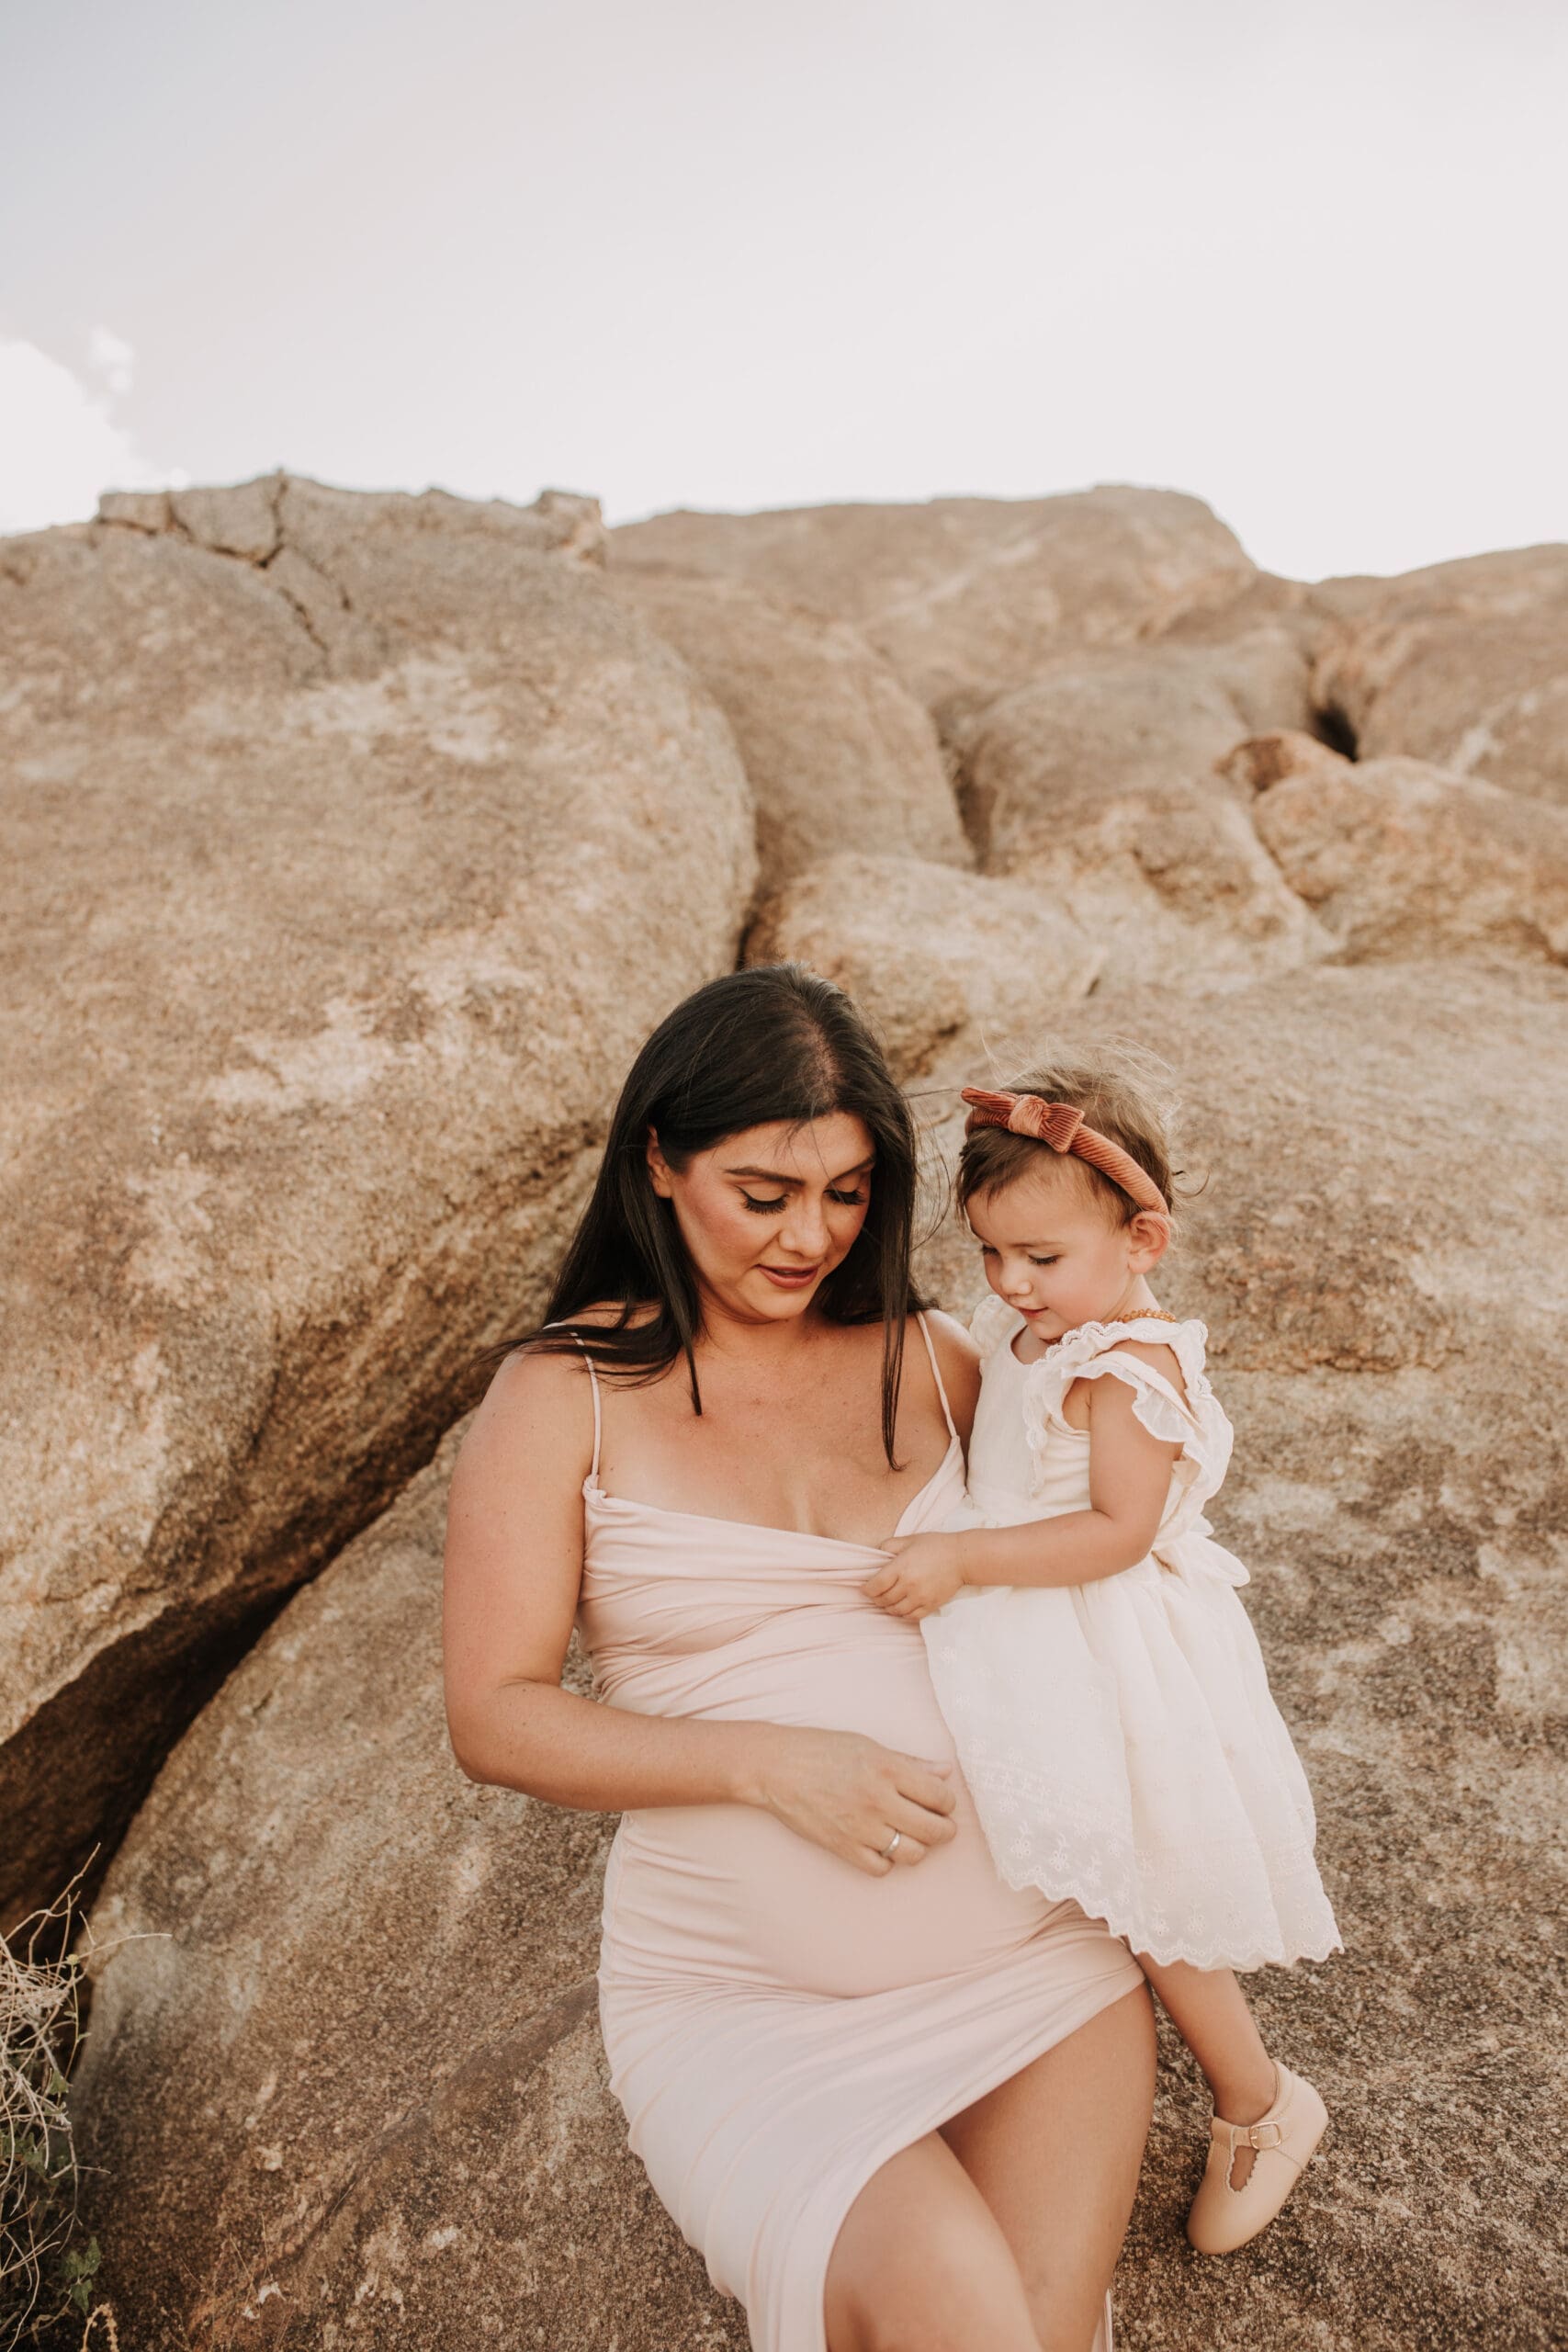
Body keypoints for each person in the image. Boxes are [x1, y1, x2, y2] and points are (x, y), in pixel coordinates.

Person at [443, 967, 1155, 2352]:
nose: (809, 1235)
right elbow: (495, 1716)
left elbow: (1120, 1545)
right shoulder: (560, 1397)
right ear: (659, 1160)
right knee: (958, 2315)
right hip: (752, 2006)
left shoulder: (938, 1360)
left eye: (844, 1193)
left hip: (1039, 1962)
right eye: (763, 1194)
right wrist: (769, 1765)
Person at [863, 1054, 1341, 2257]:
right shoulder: (1031, 1325)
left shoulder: (1129, 1369)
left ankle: (1261, 2100)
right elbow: (991, 1427)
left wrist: (966, 1562)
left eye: (1041, 1258)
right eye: (991, 1255)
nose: (1011, 1284)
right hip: (1025, 1617)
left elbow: (1115, 1532)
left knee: (1144, 1890)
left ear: (1143, 1241)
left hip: (1103, 1637)